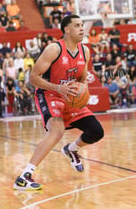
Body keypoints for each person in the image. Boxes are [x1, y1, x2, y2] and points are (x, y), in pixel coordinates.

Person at [13, 15, 104, 190]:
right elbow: (33, 78)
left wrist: (82, 90)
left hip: (69, 96)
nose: (82, 28)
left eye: (82, 25)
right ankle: (25, 176)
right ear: (66, 30)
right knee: (57, 130)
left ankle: (71, 149)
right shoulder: (54, 49)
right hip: (49, 94)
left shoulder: (84, 51)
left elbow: (83, 79)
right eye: (77, 25)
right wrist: (58, 88)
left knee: (96, 131)